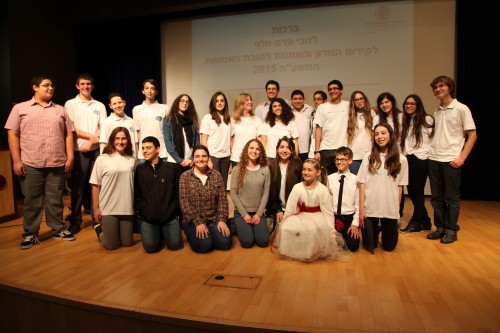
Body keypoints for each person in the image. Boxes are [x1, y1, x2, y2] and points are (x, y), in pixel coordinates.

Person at [5, 75, 76, 249]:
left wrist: (70, 157)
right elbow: (12, 134)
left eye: (52, 86)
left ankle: (58, 228)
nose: (50, 88)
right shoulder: (21, 109)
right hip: (31, 161)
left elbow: (68, 134)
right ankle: (30, 233)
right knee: (32, 200)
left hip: (57, 161)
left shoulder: (60, 110)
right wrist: (16, 160)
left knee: (55, 199)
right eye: (46, 85)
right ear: (35, 87)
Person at [426, 76, 477, 244]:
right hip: (434, 158)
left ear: (449, 88)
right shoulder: (437, 110)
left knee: (451, 198)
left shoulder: (461, 109)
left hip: (451, 160)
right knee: (436, 197)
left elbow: (472, 134)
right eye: (435, 87)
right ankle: (440, 228)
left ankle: (451, 230)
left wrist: (462, 157)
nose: (438, 89)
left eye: (442, 86)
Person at [271, 158, 348, 262]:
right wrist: (285, 222)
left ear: (318, 172)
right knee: (286, 227)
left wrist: (332, 233)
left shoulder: (322, 189)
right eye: (304, 169)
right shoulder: (297, 187)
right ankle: (291, 251)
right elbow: (290, 208)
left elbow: (328, 213)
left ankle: (308, 253)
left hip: (316, 217)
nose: (306, 172)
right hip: (300, 216)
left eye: (309, 170)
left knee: (311, 229)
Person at [65, 73, 107, 235]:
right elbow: (72, 128)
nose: (85, 86)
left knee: (97, 186)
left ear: (92, 86)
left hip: (96, 150)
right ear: (77, 86)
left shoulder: (99, 105)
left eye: (88, 84)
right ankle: (76, 220)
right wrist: (89, 137)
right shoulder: (70, 104)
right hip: (78, 151)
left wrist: (91, 142)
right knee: (78, 188)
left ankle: (97, 219)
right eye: (82, 84)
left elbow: (102, 126)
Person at [358, 123, 408, 252]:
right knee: (370, 246)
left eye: (383, 133)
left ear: (390, 135)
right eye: (376, 134)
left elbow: (400, 187)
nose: (379, 136)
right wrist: (362, 210)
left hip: (389, 208)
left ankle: (387, 229)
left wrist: (396, 211)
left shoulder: (401, 159)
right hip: (371, 208)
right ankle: (376, 229)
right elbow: (362, 184)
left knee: (389, 247)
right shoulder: (368, 157)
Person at [179, 145, 232, 253]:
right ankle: (192, 236)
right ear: (193, 159)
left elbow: (222, 200)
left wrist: (221, 220)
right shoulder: (185, 176)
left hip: (212, 219)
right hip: (193, 220)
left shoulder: (216, 175)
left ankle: (210, 234)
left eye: (204, 156)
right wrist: (198, 222)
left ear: (208, 158)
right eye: (197, 156)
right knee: (204, 246)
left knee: (225, 243)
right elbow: (184, 202)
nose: (201, 159)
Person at [90, 127, 136, 250]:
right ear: (112, 140)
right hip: (108, 208)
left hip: (127, 208)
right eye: (117, 138)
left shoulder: (132, 160)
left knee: (127, 242)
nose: (120, 142)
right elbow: (95, 185)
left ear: (128, 140)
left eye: (123, 138)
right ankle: (99, 229)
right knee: (111, 245)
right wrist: (96, 208)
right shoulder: (102, 159)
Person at [134, 136, 183, 252]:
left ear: (157, 149)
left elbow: (178, 193)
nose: (144, 151)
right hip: (149, 218)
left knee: (175, 245)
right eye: (143, 148)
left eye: (148, 148)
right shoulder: (140, 170)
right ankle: (158, 234)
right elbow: (137, 195)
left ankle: (162, 232)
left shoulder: (171, 169)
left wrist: (172, 210)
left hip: (169, 217)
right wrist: (144, 213)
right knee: (151, 248)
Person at [399, 94, 434, 234]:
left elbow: (431, 140)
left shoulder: (427, 119)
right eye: (407, 103)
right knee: (413, 192)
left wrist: (425, 156)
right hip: (409, 159)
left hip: (421, 159)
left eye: (412, 103)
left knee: (417, 192)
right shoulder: (406, 120)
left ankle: (417, 220)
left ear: (418, 105)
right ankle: (425, 220)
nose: (409, 105)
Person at [230, 139, 270, 248]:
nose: (254, 151)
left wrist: (259, 214)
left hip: (258, 212)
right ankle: (237, 225)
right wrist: (244, 214)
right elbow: (233, 192)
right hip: (242, 213)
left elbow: (266, 192)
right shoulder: (237, 169)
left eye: (257, 149)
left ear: (260, 152)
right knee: (247, 242)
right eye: (251, 148)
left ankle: (249, 228)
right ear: (246, 150)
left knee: (263, 242)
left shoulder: (265, 169)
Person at [132, 79, 174, 163]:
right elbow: (138, 132)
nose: (149, 91)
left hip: (161, 152)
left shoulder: (164, 108)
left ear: (156, 91)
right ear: (143, 91)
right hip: (143, 154)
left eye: (152, 88)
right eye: (147, 88)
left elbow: (168, 132)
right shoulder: (137, 109)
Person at [327, 147, 360, 252]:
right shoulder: (330, 179)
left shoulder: (356, 180)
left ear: (350, 160)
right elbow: (326, 202)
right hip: (334, 217)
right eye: (337, 159)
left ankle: (345, 236)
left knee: (353, 246)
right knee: (330, 245)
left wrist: (355, 224)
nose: (339, 162)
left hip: (349, 218)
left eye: (343, 159)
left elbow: (358, 204)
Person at [266, 137, 303, 231]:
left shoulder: (298, 166)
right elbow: (271, 192)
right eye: (282, 147)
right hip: (277, 208)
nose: (285, 150)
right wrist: (278, 210)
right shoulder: (272, 166)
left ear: (292, 150)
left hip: (294, 208)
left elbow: (301, 192)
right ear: (277, 149)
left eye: (288, 147)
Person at [313, 80, 349, 174]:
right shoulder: (322, 107)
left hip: (343, 148)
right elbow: (318, 129)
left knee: (342, 178)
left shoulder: (348, 105)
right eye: (330, 89)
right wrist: (317, 151)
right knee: (327, 180)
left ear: (341, 90)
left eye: (335, 88)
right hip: (326, 149)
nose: (332, 91)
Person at [162, 94, 200, 173]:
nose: (185, 103)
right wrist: (180, 161)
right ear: (177, 103)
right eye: (182, 101)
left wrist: (191, 158)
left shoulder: (192, 120)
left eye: (187, 102)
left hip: (189, 162)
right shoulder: (168, 120)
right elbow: (168, 142)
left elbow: (197, 142)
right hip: (174, 162)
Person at [200, 91, 231, 187]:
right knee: (212, 187)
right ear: (213, 103)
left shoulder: (228, 120)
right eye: (217, 101)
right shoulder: (208, 118)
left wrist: (230, 162)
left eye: (222, 101)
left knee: (223, 186)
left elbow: (230, 141)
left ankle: (222, 203)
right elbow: (203, 140)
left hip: (226, 157)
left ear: (225, 103)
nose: (219, 103)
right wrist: (207, 159)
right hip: (213, 156)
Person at [100, 92, 139, 158]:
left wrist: (135, 160)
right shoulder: (106, 122)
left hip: (130, 159)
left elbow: (135, 143)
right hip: (113, 160)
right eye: (114, 104)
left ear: (124, 103)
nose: (118, 105)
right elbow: (103, 144)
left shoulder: (131, 121)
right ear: (110, 106)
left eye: (119, 102)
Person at [230, 93, 262, 167]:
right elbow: (230, 141)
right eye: (247, 100)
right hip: (236, 158)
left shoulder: (257, 120)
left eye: (251, 100)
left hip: (252, 159)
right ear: (240, 103)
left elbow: (260, 140)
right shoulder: (233, 120)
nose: (250, 102)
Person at [347, 90, 375, 174]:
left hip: (369, 154)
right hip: (354, 155)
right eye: (356, 100)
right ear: (353, 102)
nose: (359, 101)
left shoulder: (371, 113)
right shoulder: (349, 115)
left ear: (365, 99)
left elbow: (374, 135)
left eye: (361, 99)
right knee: (356, 184)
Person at [290, 89, 314, 162]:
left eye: (300, 99)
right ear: (291, 100)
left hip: (308, 150)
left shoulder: (310, 110)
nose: (297, 101)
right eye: (295, 99)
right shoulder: (288, 112)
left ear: (304, 99)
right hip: (293, 150)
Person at [308, 90, 328, 159]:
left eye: (319, 99)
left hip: (325, 149)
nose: (316, 102)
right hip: (314, 150)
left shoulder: (328, 114)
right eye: (315, 99)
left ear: (325, 101)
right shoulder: (313, 114)